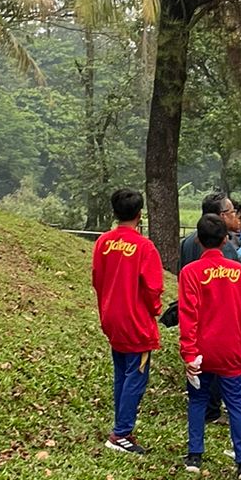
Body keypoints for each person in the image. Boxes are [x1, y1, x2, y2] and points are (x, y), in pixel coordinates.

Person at [178, 214, 241, 480]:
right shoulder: (239, 272)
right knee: (236, 404)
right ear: (225, 239)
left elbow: (188, 315)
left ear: (198, 240)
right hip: (231, 350)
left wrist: (188, 352)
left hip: (200, 351)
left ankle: (194, 455)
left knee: (198, 401)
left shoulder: (190, 273)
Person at [91, 188, 164, 455]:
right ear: (139, 214)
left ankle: (122, 428)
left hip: (112, 317)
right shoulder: (144, 247)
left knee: (122, 373)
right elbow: (153, 288)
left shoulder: (103, 243)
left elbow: (97, 279)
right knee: (136, 377)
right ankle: (121, 432)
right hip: (136, 322)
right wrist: (154, 310)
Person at [179, 193, 241, 269]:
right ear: (223, 216)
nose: (235, 215)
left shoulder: (186, 242)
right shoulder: (221, 243)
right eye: (233, 211)